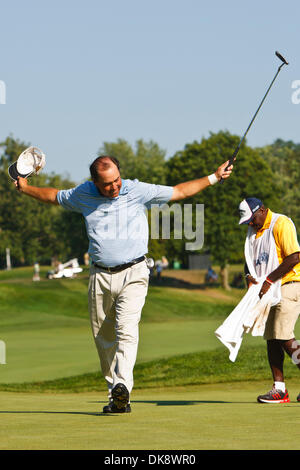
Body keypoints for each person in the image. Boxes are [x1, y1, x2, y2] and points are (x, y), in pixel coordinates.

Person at [14, 155, 233, 413]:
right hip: (100, 276)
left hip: (135, 272)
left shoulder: (136, 190)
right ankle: (115, 396)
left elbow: (179, 192)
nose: (114, 187)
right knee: (103, 338)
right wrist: (27, 189)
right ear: (94, 182)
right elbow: (54, 196)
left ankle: (123, 388)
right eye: (107, 184)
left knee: (127, 330)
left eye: (116, 180)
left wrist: (215, 177)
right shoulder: (83, 194)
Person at [239, 197, 300, 404]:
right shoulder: (254, 233)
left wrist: (268, 279)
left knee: (283, 336)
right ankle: (279, 389)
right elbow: (249, 262)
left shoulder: (280, 223)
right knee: (272, 338)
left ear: (262, 210)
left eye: (252, 218)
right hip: (269, 291)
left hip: (290, 285)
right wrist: (249, 277)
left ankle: (281, 389)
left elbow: (294, 257)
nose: (250, 223)